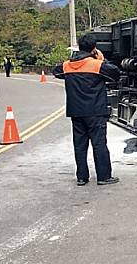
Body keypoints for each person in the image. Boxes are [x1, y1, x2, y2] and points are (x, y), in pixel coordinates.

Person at [52, 33, 121, 186]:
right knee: (99, 144)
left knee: (80, 145)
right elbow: (115, 73)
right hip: (96, 111)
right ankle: (103, 176)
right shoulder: (97, 64)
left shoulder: (67, 66)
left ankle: (82, 177)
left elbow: (56, 71)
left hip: (76, 112)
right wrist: (101, 59)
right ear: (94, 49)